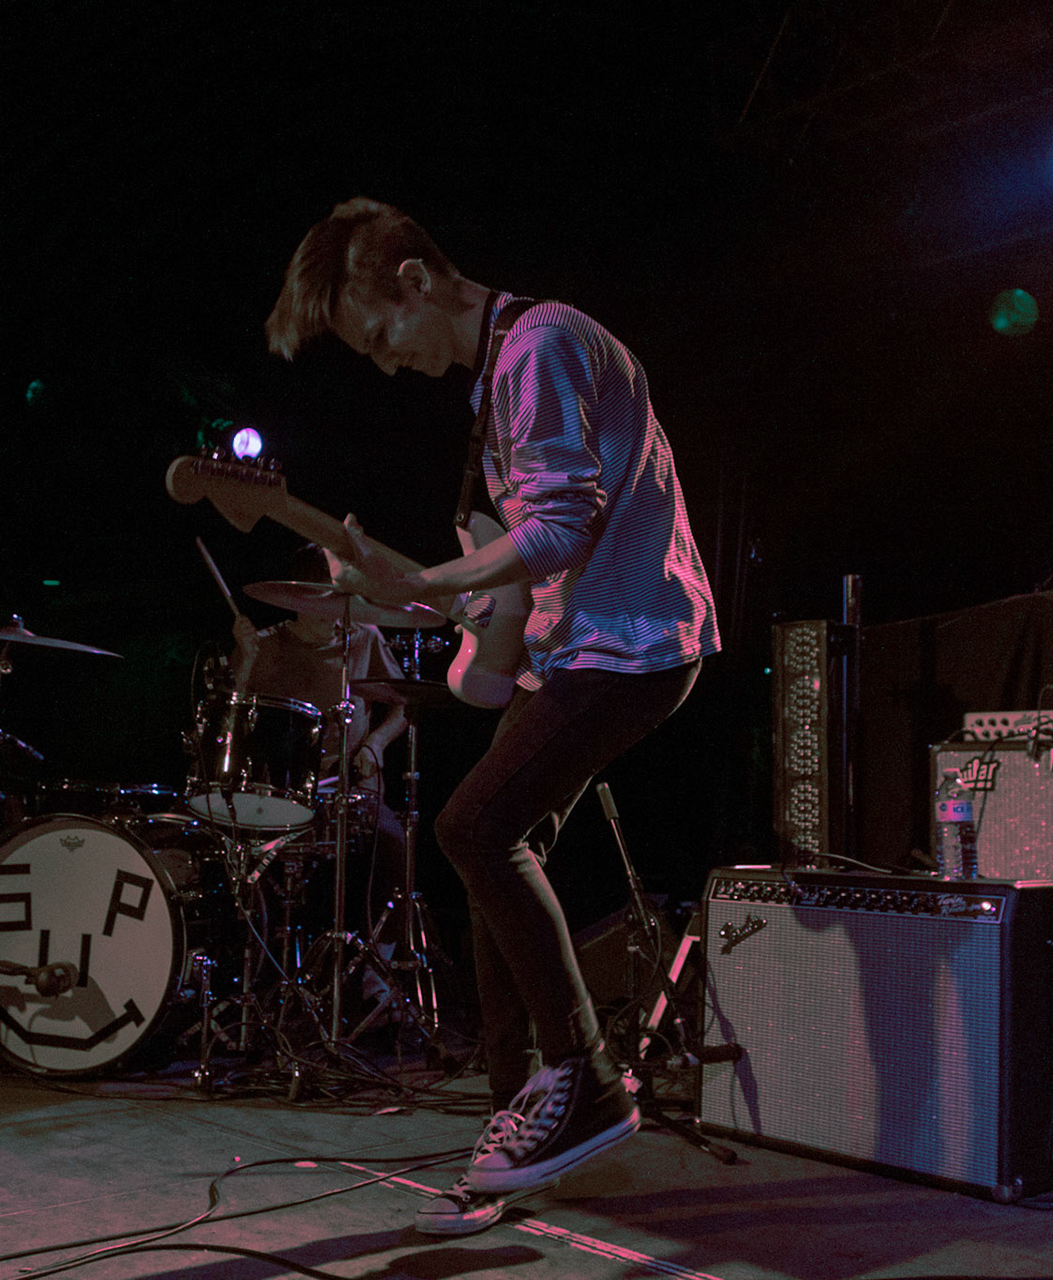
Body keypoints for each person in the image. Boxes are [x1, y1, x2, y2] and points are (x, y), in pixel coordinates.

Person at [264, 198, 721, 1235]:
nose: (389, 363)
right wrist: (410, 588)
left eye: (382, 333)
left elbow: (562, 527)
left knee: (473, 828)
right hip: (580, 649)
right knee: (490, 857)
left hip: (633, 646)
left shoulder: (538, 345)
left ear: (416, 279)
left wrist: (425, 578)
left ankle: (585, 1081)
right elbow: (511, 579)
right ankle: (524, 1122)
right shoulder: (500, 381)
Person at [227, 547, 410, 937]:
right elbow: (229, 721)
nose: (333, 614)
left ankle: (377, 959)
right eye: (322, 604)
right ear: (295, 601)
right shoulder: (264, 646)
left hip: (350, 785)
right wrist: (244, 664)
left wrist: (376, 743)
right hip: (282, 788)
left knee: (394, 849)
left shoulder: (363, 638)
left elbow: (404, 704)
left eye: (339, 602)